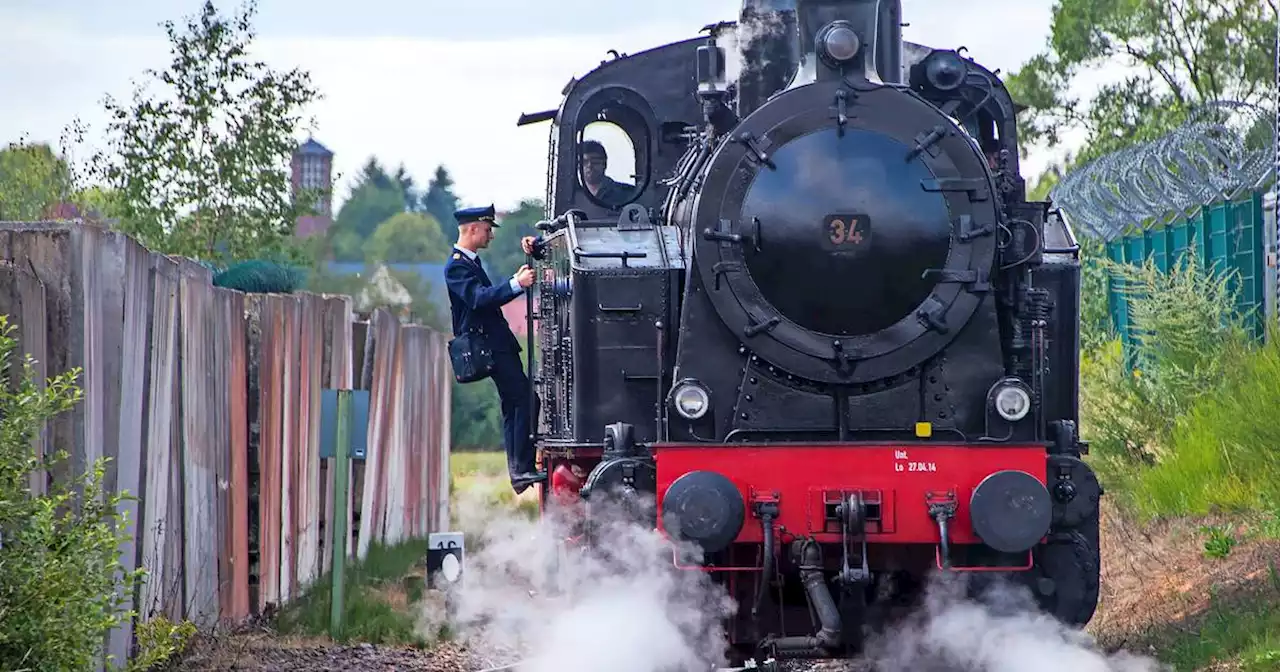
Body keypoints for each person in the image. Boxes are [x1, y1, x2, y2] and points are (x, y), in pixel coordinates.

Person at [444, 204, 545, 494]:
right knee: (523, 401)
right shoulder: (456, 266)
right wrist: (516, 284)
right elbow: (478, 299)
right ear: (473, 229)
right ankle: (521, 469)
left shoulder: (470, 262)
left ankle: (521, 468)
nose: (490, 236)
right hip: (489, 346)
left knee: (518, 402)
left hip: (496, 345)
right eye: (487, 230)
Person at [578, 140, 635, 209]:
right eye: (584, 162)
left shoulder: (627, 194)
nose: (589, 165)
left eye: (595, 161)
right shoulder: (575, 195)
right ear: (578, 166)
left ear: (604, 164)